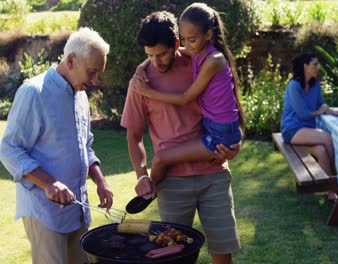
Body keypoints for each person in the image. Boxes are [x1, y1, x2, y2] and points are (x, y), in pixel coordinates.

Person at [121, 11, 240, 264]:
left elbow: (228, 108)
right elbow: (133, 135)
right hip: (173, 183)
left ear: (177, 43)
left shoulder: (200, 62)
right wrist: (141, 174)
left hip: (214, 173)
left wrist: (234, 144)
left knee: (222, 251)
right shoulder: (140, 82)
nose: (156, 62)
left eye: (162, 54)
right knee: (174, 254)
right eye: (149, 55)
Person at [0, 27, 113, 264]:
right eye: (92, 72)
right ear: (71, 60)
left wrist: (100, 181)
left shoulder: (80, 95)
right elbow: (9, 149)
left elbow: (86, 146)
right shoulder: (34, 92)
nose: (94, 81)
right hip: (45, 213)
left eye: (98, 74)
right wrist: (49, 183)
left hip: (78, 210)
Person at [133, 2, 243, 187]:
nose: (187, 46)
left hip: (220, 133)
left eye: (191, 40)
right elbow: (171, 51)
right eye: (183, 40)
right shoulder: (197, 51)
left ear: (208, 35)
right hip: (216, 127)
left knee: (160, 159)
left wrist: (149, 92)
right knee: (161, 159)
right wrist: (142, 66)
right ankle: (151, 190)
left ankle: (150, 192)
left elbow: (185, 98)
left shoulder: (213, 60)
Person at [280, 52, 338, 202]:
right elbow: (303, 114)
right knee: (327, 137)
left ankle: (331, 192)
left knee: (322, 151)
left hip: (306, 131)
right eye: (315, 64)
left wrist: (335, 112)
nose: (317, 67)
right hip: (292, 130)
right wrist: (320, 111)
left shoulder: (315, 85)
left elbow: (320, 105)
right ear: (306, 67)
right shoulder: (293, 86)